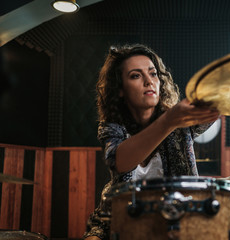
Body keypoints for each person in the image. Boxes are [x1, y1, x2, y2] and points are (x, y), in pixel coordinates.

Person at [83, 43, 220, 240]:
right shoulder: (111, 127)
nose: (149, 81)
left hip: (175, 221)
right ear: (120, 89)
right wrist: (168, 121)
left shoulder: (180, 121)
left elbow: (219, 102)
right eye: (136, 75)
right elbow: (119, 161)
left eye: (153, 73)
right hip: (118, 220)